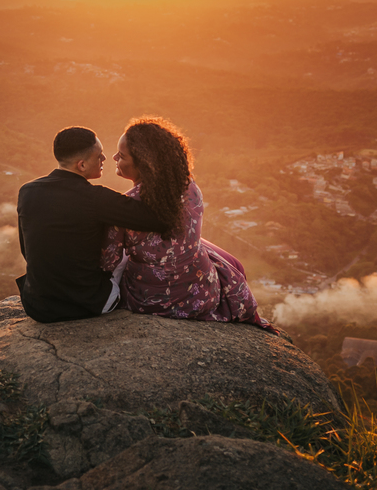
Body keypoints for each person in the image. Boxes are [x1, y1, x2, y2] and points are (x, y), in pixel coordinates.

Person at [101, 116, 279, 334]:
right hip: (202, 295)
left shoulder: (124, 208)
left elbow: (108, 262)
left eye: (122, 155)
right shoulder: (189, 187)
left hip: (148, 302)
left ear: (143, 163)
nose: (114, 157)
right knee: (214, 253)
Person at [17, 126, 170, 323]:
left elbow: (26, 249)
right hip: (88, 304)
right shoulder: (96, 199)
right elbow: (158, 220)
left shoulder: (27, 191)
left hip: (37, 306)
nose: (105, 159)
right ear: (81, 165)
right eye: (99, 156)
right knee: (124, 250)